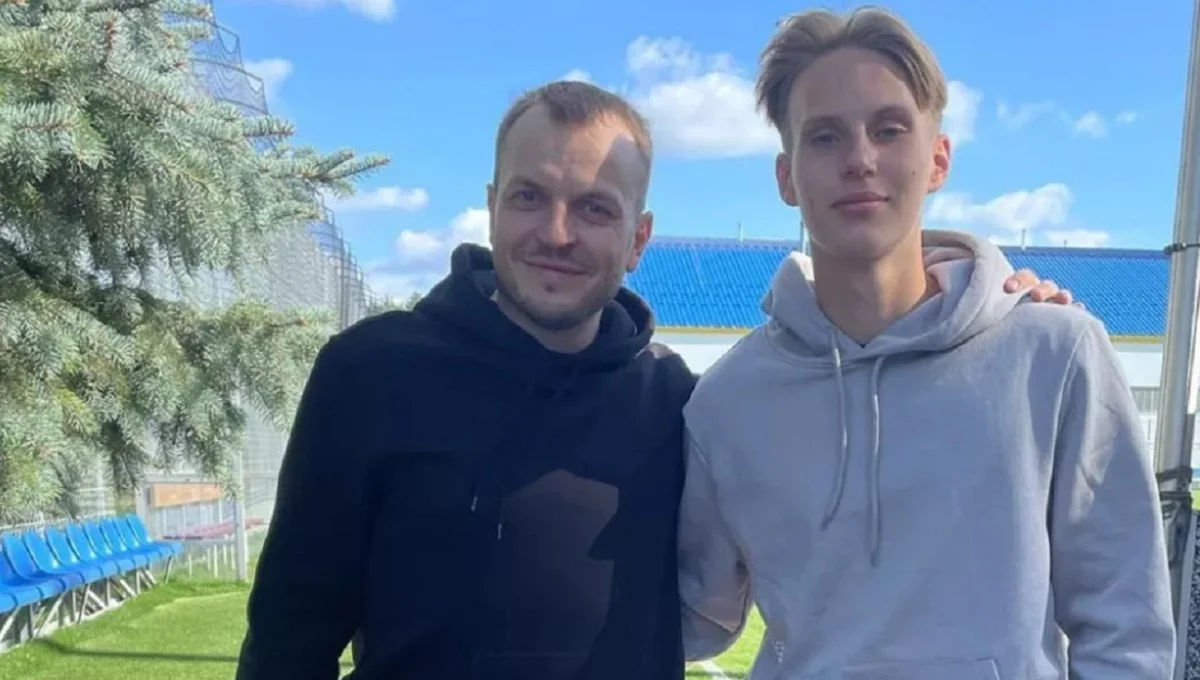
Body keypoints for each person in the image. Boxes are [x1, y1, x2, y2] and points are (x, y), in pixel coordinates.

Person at [235, 80, 1073, 679]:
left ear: (638, 239)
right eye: (530, 198)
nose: (556, 232)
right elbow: (288, 637)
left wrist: (994, 312)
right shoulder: (372, 374)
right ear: (491, 208)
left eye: (594, 208)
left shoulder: (681, 402)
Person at [677, 7, 1175, 680]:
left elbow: (1125, 624)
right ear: (786, 177)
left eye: (888, 130)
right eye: (824, 137)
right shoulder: (729, 401)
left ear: (937, 158)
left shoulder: (1056, 354)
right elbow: (694, 616)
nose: (860, 160)